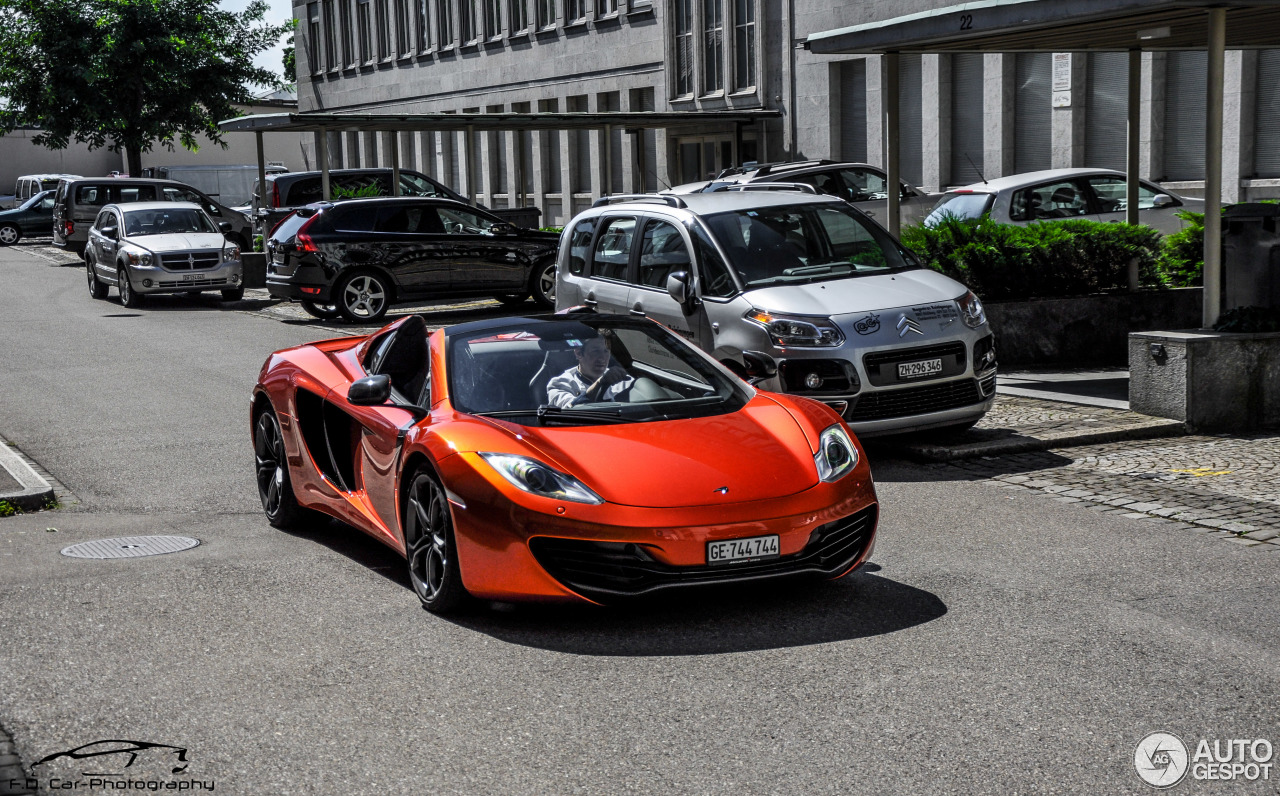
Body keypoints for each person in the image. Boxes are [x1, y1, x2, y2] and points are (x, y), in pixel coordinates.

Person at [546, 334, 634, 408]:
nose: (602, 358)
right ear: (579, 353)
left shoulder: (623, 380)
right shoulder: (560, 384)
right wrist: (600, 383)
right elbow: (570, 410)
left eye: (606, 351)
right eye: (596, 351)